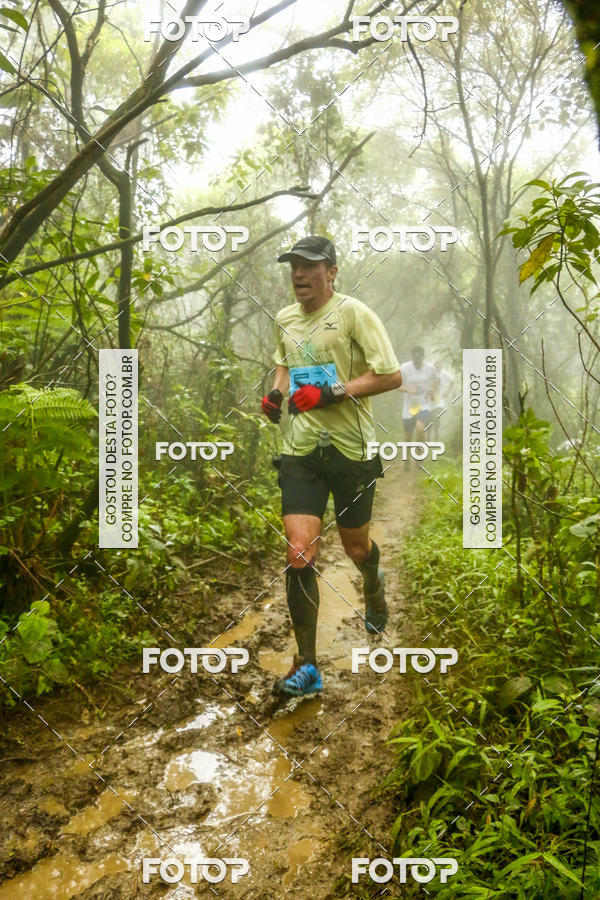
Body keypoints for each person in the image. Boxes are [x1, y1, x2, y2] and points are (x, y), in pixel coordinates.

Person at [261, 235, 402, 698]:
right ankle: (307, 666)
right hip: (302, 450)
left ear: (332, 271)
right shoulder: (285, 318)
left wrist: (331, 392)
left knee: (356, 548)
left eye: (309, 266)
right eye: (294, 266)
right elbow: (283, 363)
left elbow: (391, 375)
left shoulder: (354, 314)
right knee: (299, 552)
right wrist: (277, 393)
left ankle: (373, 580)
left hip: (350, 451)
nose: (299, 274)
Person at [399, 346, 439, 443]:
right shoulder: (404, 367)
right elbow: (397, 386)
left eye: (419, 358)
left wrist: (432, 390)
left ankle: (420, 453)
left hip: (424, 405)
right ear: (412, 357)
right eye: (415, 358)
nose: (417, 361)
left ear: (423, 357)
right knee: (408, 435)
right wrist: (408, 390)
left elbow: (437, 380)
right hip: (408, 406)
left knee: (420, 429)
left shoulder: (430, 368)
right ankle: (407, 457)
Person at [429, 361, 453, 440]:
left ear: (441, 367)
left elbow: (452, 381)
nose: (437, 369)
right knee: (430, 417)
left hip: (440, 400)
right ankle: (428, 436)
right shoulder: (430, 374)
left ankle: (436, 434)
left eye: (439, 367)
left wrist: (447, 392)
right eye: (436, 367)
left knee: (436, 416)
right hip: (430, 399)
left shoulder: (444, 374)